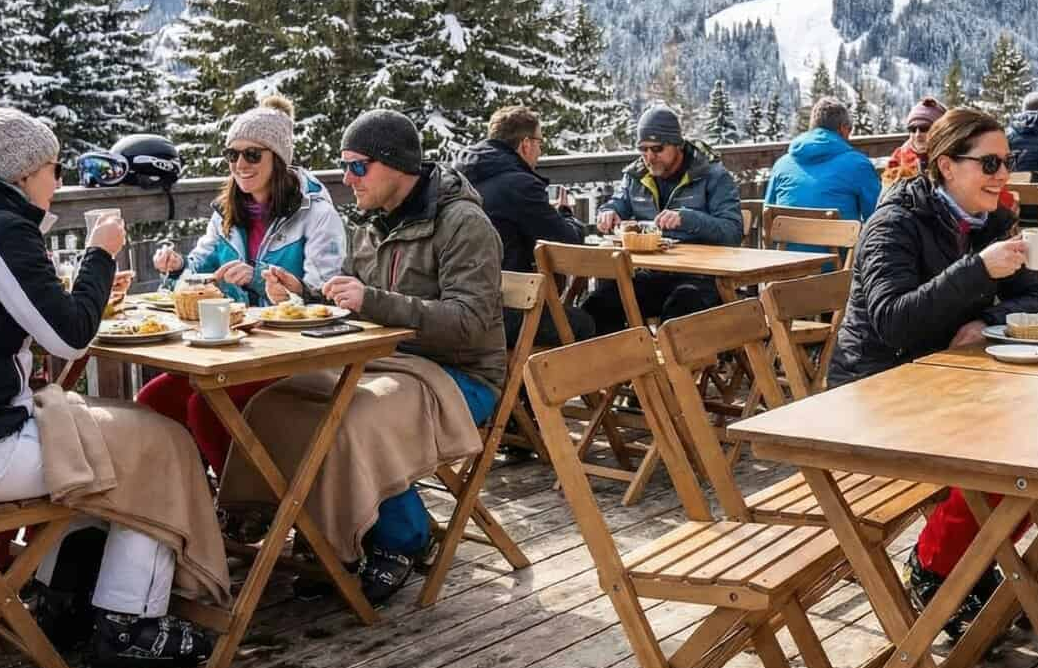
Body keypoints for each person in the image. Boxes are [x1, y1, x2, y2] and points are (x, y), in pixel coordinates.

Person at [0, 94, 219, 668]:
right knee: (161, 445)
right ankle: (129, 624)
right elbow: (68, 337)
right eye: (55, 169)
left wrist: (79, 287)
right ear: (22, 174)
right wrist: (98, 255)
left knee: (112, 439)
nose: (60, 181)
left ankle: (61, 599)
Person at [221, 109, 505, 606]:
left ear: (396, 165)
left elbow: (469, 322)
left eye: (357, 167)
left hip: (459, 375)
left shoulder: (463, 223)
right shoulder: (372, 222)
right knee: (275, 401)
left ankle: (401, 538)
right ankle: (299, 523)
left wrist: (371, 302)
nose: (346, 179)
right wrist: (304, 291)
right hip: (380, 362)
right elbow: (347, 299)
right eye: (344, 166)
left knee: (353, 418)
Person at [827, 108, 1038, 640]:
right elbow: (892, 321)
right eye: (990, 163)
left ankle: (959, 564)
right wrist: (976, 272)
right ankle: (936, 569)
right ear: (947, 166)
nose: (1002, 174)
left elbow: (1035, 295)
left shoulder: (990, 220)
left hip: (947, 385)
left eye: (1008, 161)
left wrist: (984, 318)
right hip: (877, 393)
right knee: (1008, 463)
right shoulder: (895, 223)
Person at [138, 95, 347, 473]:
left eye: (253, 155)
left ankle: (249, 506)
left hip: (295, 356)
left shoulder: (315, 214)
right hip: (234, 351)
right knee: (155, 400)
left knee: (206, 408)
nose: (240, 165)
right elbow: (200, 263)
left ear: (278, 159)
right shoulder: (226, 213)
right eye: (231, 155)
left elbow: (326, 296)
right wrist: (178, 265)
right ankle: (192, 503)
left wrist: (261, 282)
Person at [586, 104, 742, 333]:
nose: (649, 157)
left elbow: (732, 232)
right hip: (652, 274)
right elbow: (617, 203)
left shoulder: (713, 176)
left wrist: (688, 219)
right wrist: (608, 212)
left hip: (701, 278)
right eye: (643, 149)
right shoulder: (635, 176)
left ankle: (675, 368)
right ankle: (624, 365)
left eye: (657, 148)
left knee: (680, 310)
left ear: (677, 144)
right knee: (599, 305)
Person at [452, 105, 593, 347]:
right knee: (584, 323)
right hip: (501, 311)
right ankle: (537, 384)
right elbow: (568, 241)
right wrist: (566, 215)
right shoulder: (520, 185)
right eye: (540, 142)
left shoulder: (458, 178)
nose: (540, 150)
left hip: (457, 306)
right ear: (526, 144)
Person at [764, 95, 881, 223]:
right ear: (843, 128)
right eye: (849, 130)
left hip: (784, 242)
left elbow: (767, 213)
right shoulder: (859, 166)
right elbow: (877, 219)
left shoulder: (781, 165)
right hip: (839, 242)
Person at [884, 97, 944, 186]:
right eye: (913, 129)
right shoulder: (900, 155)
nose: (917, 134)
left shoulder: (948, 155)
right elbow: (887, 185)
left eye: (924, 128)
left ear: (938, 130)